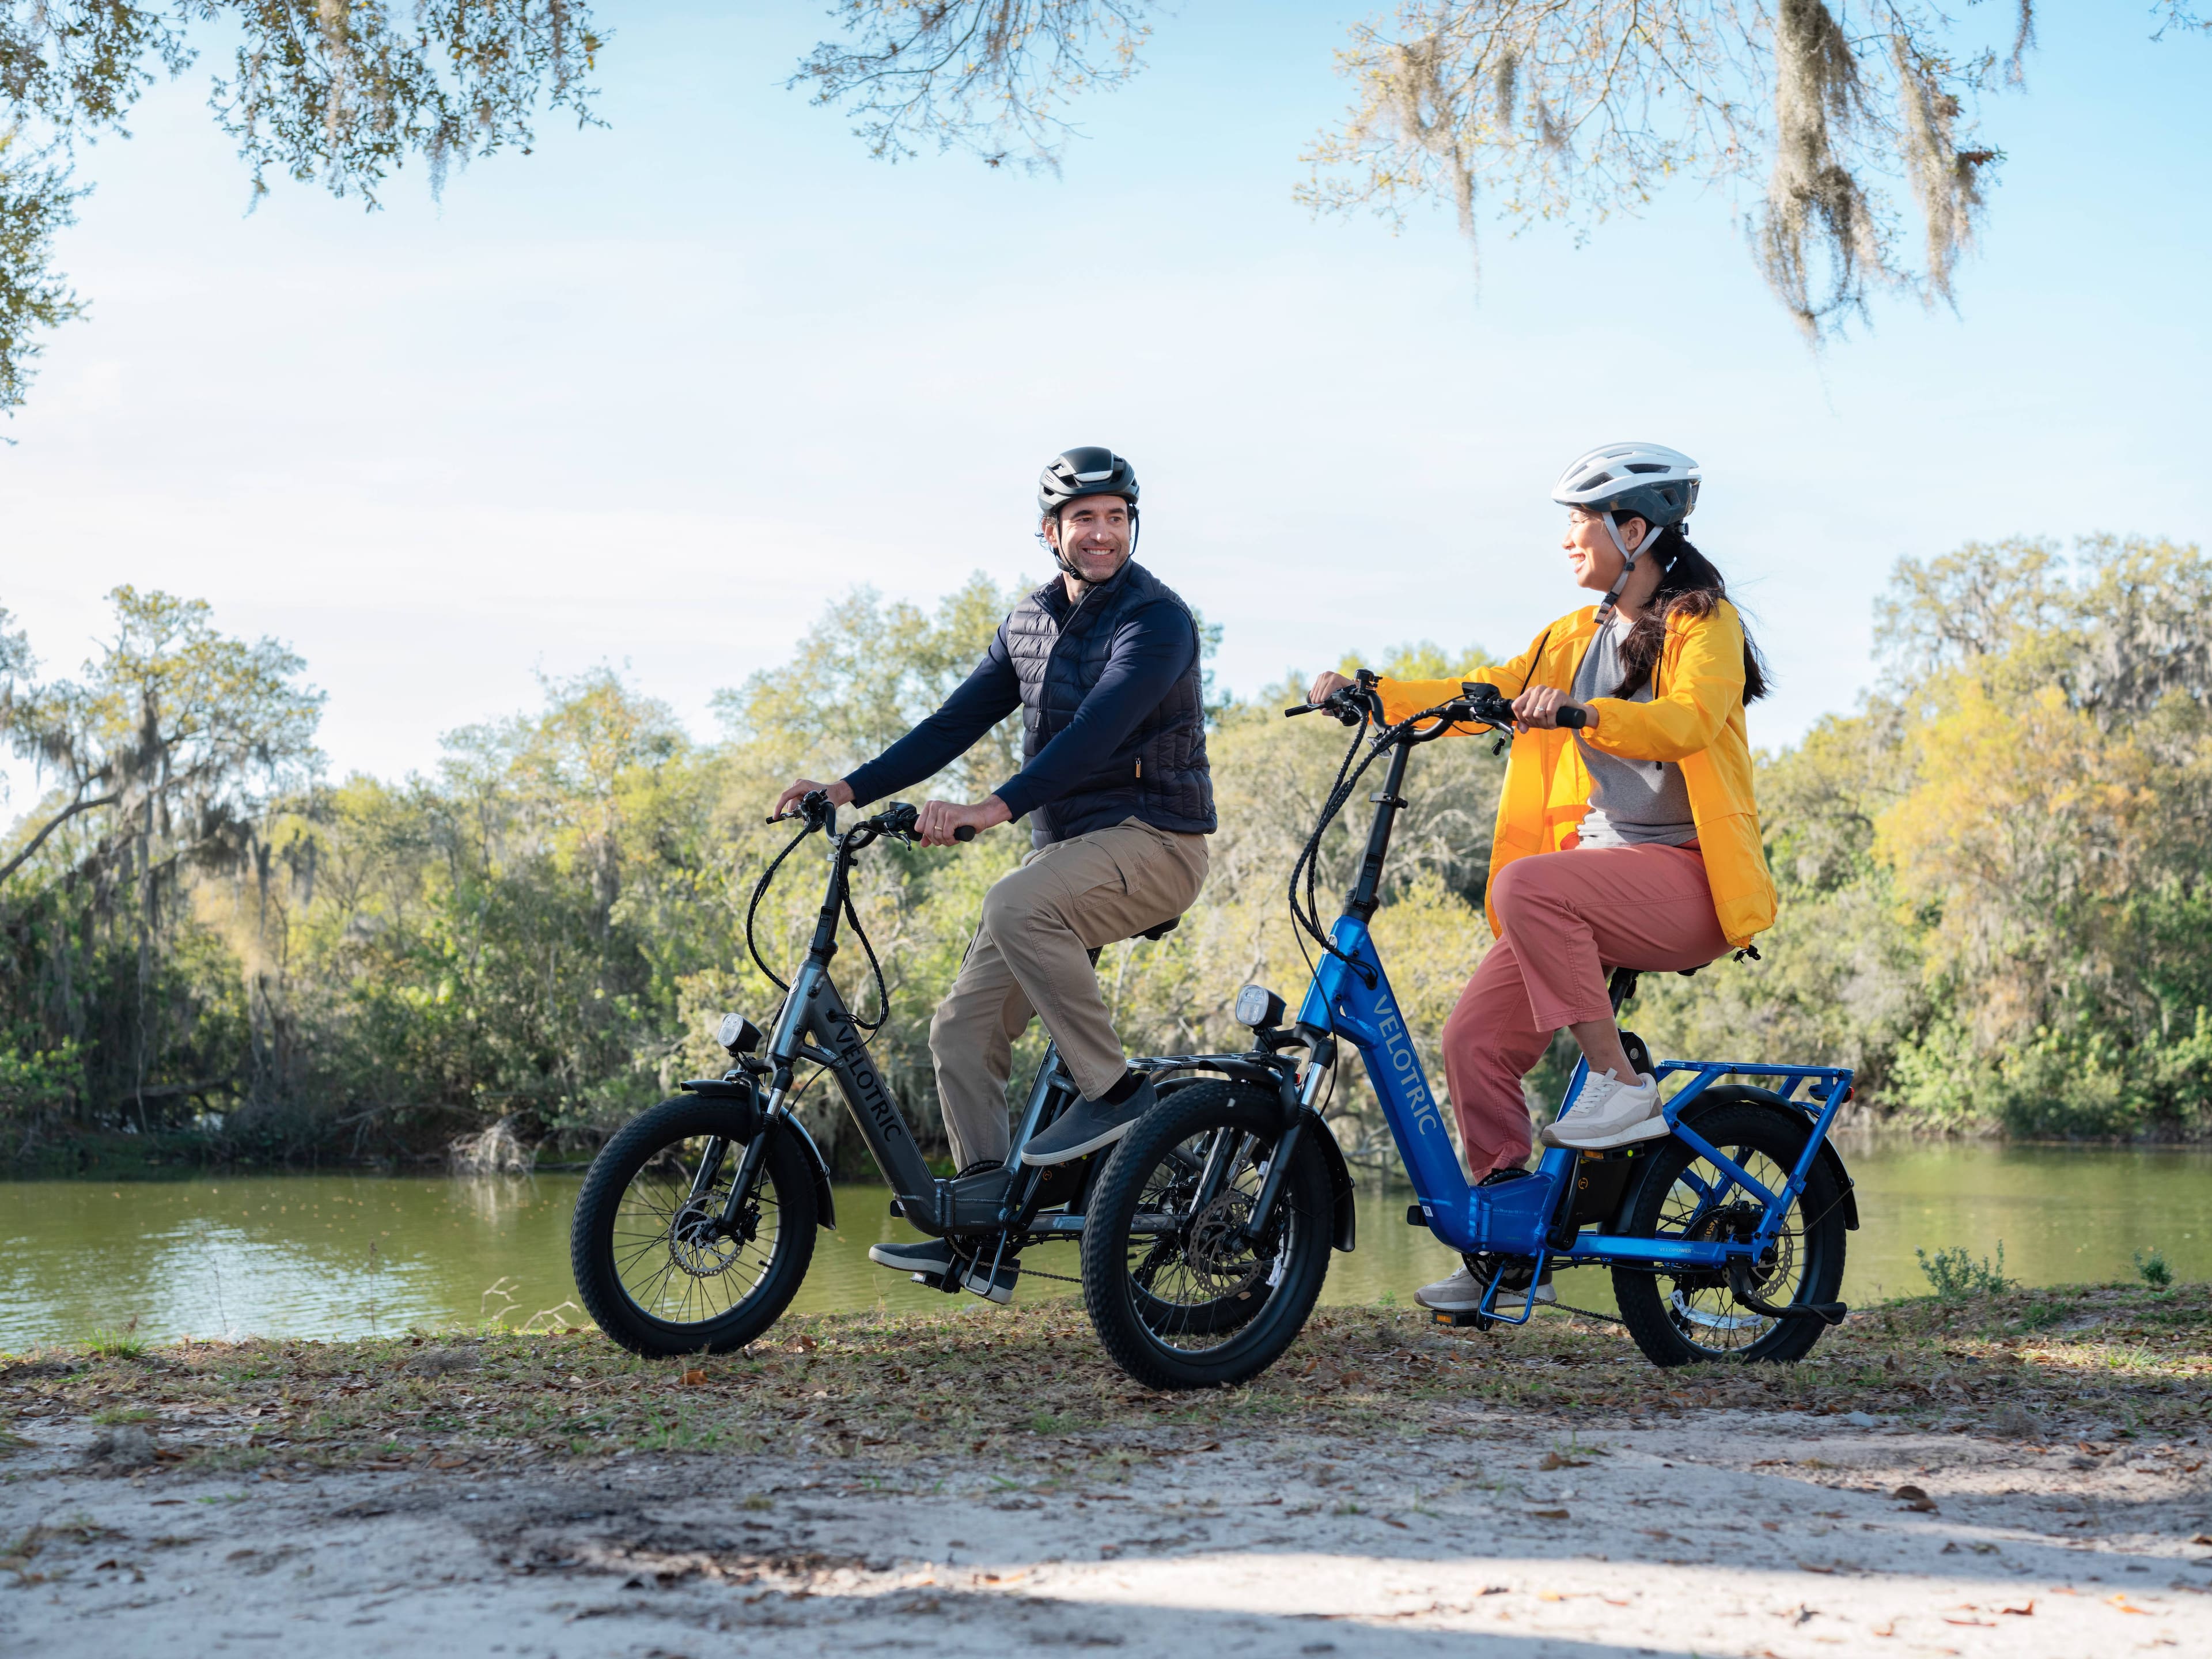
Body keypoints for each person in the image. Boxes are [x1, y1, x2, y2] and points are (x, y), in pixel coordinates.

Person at [1305, 441, 1776, 1315]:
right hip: (1595, 884)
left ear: (1635, 530)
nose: (1568, 541)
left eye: (1581, 524)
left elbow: (1687, 720)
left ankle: (1622, 1089)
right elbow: (1478, 690)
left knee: (1530, 885)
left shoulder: (1701, 625)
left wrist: (1582, 713)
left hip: (1690, 880)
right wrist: (1375, 695)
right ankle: (1507, 1246)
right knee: (1472, 1042)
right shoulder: (1570, 638)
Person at [774, 446, 1215, 1301]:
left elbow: (1095, 730)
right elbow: (951, 725)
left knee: (1015, 900)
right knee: (961, 1034)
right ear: (1050, 532)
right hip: (1070, 860)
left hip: (1158, 843)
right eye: (1084, 518)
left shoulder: (1157, 621)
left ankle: (1113, 1092)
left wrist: (990, 810)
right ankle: (983, 1228)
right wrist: (845, 788)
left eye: (1116, 516)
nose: (1102, 532)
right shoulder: (1028, 624)